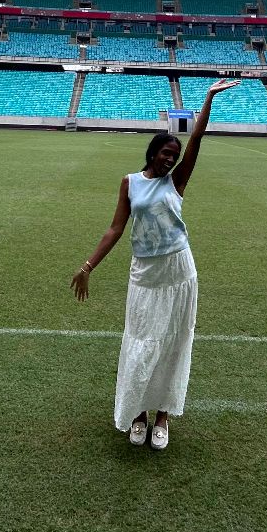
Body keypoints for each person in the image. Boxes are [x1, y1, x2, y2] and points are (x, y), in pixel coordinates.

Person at [70, 77, 241, 451]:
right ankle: (138, 414)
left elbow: (195, 141)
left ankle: (162, 416)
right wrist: (87, 266)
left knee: (173, 344)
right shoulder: (130, 183)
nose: (170, 158)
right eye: (165, 153)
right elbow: (116, 228)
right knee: (141, 342)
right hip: (145, 274)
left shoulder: (176, 182)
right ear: (152, 152)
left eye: (174, 155)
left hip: (180, 271)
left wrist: (208, 98)